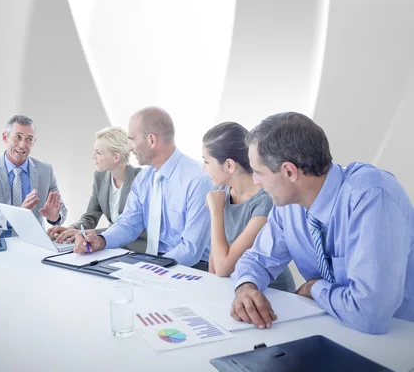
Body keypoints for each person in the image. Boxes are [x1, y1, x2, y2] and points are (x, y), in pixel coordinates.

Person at [231, 112, 414, 335]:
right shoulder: (287, 206)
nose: (256, 182)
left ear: (289, 171)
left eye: (259, 173)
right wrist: (246, 288)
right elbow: (257, 259)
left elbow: (370, 314)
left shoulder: (372, 195)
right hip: (333, 327)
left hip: (398, 339)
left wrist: (315, 287)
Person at [74, 107, 213, 268]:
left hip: (193, 268)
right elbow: (128, 224)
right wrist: (102, 240)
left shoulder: (198, 179)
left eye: (132, 139)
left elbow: (191, 250)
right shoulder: (143, 179)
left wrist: (149, 268)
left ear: (151, 140)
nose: (129, 148)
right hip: (152, 263)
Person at [202, 121, 295, 291]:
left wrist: (216, 212)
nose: (204, 169)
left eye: (207, 162)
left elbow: (224, 267)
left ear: (229, 165)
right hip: (232, 286)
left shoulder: (265, 202)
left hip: (269, 293)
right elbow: (215, 265)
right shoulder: (221, 191)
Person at [47, 126, 145, 251]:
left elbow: (131, 228)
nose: (93, 156)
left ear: (116, 157)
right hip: (111, 248)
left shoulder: (141, 179)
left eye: (98, 152)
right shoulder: (100, 176)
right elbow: (90, 216)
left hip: (135, 249)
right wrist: (74, 229)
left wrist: (94, 233)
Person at [0, 115, 67, 237]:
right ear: (5, 137)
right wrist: (14, 217)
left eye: (29, 139)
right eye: (18, 137)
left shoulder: (46, 170)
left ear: (34, 142)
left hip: (34, 245)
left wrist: (55, 217)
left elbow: (61, 210)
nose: (22, 145)